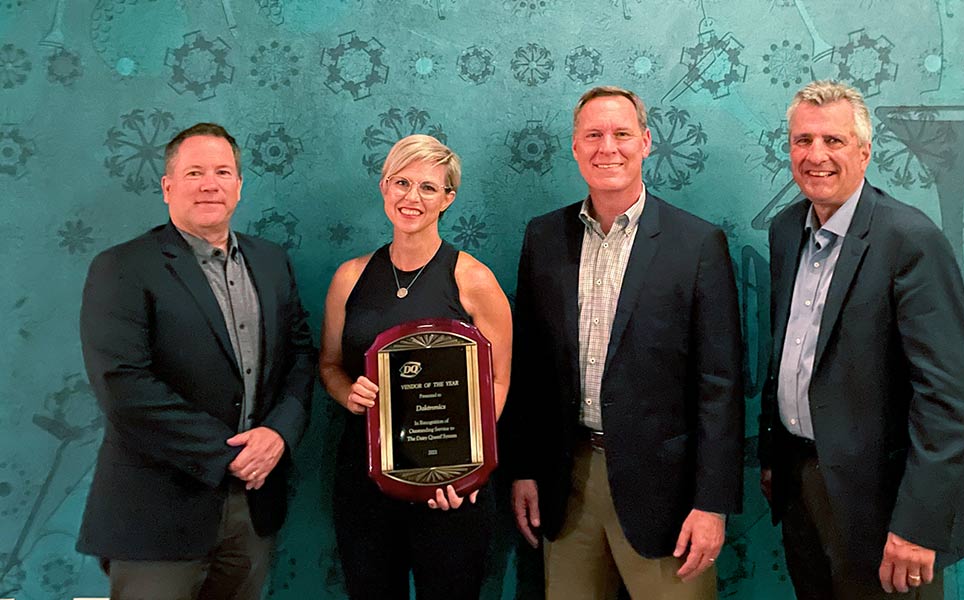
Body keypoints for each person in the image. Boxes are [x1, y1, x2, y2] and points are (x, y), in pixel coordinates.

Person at [501, 85, 744, 599]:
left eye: (621, 134)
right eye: (593, 135)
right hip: (566, 483)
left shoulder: (697, 244)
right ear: (575, 146)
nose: (607, 147)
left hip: (668, 494)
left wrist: (712, 503)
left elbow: (719, 386)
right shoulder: (543, 238)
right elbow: (530, 369)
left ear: (646, 142)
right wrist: (523, 469)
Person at [758, 80, 964, 600]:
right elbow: (788, 353)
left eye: (833, 141)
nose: (816, 155)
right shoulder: (786, 230)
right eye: (802, 140)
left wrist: (917, 525)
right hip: (802, 483)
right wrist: (774, 457)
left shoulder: (910, 240)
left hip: (886, 505)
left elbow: (946, 398)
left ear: (864, 151)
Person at [78, 122, 316, 598]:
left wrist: (278, 433)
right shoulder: (122, 266)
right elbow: (123, 385)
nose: (210, 184)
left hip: (253, 509)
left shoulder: (271, 261)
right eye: (195, 173)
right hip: (156, 514)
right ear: (167, 187)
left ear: (239, 186)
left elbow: (301, 356)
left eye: (222, 172)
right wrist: (231, 454)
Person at [319, 134, 512, 599]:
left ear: (448, 198)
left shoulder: (474, 279)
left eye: (428, 187)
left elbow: (499, 380)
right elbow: (329, 365)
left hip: (450, 490)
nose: (412, 197)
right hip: (366, 478)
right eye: (402, 182)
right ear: (384, 187)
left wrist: (465, 467)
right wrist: (348, 394)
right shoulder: (349, 277)